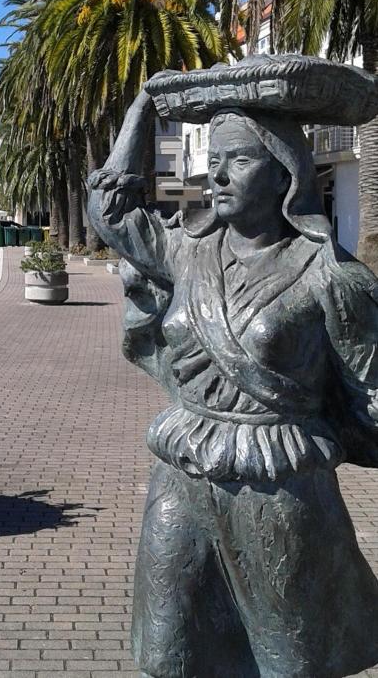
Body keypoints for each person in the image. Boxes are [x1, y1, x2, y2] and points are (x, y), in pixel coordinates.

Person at [88, 56, 378, 678]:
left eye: (239, 160)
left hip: (279, 485)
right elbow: (111, 212)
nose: (216, 175)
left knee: (290, 660)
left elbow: (370, 396)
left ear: (284, 174)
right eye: (213, 159)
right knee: (168, 653)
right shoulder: (185, 251)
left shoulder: (333, 277)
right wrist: (144, 107)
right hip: (182, 469)